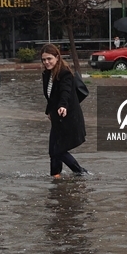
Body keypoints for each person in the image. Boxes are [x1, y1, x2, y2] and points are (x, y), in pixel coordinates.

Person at [40, 43, 88, 178]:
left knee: (59, 150)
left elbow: (65, 92)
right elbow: (51, 96)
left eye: (49, 59)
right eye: (44, 60)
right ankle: (56, 177)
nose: (47, 62)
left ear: (57, 57)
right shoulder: (47, 74)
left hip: (67, 117)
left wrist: (63, 106)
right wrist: (49, 111)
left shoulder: (64, 73)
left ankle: (81, 172)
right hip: (57, 118)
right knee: (53, 151)